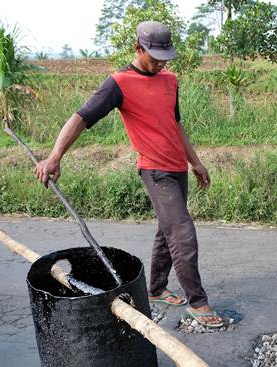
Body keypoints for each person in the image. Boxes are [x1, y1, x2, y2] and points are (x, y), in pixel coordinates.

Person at [34, 21, 223, 327]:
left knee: (167, 230)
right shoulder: (118, 83)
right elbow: (80, 117)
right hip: (154, 169)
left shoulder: (170, 80)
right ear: (138, 48)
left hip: (177, 168)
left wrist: (195, 161)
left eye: (165, 55)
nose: (161, 61)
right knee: (182, 233)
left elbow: (176, 124)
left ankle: (157, 288)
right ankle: (198, 303)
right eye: (154, 55)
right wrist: (55, 156)